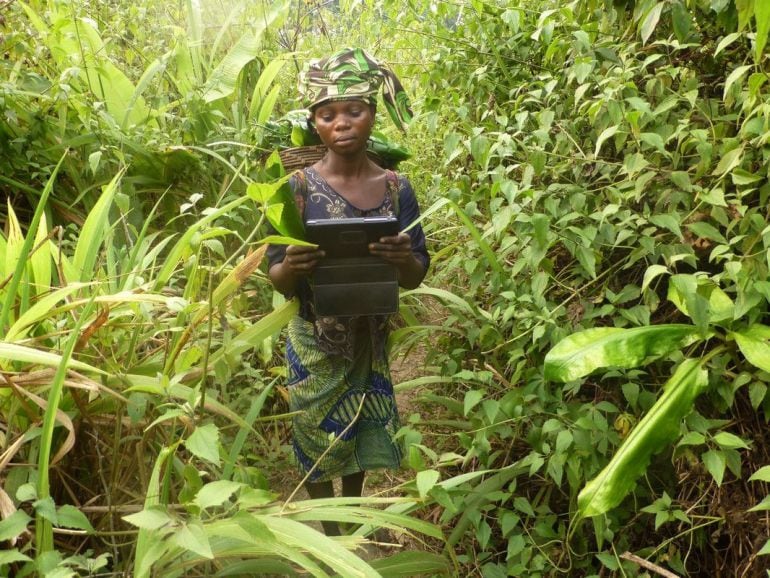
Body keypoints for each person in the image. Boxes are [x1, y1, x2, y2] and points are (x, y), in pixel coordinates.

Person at [266, 48, 430, 535]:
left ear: (372, 116)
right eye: (327, 114)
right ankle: (329, 531)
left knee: (355, 425)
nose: (342, 123)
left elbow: (417, 272)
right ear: (314, 123)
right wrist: (291, 266)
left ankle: (351, 513)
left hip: (368, 334)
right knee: (315, 430)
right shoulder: (294, 189)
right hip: (313, 336)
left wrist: (403, 259)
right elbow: (277, 277)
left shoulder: (396, 188)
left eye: (354, 110)